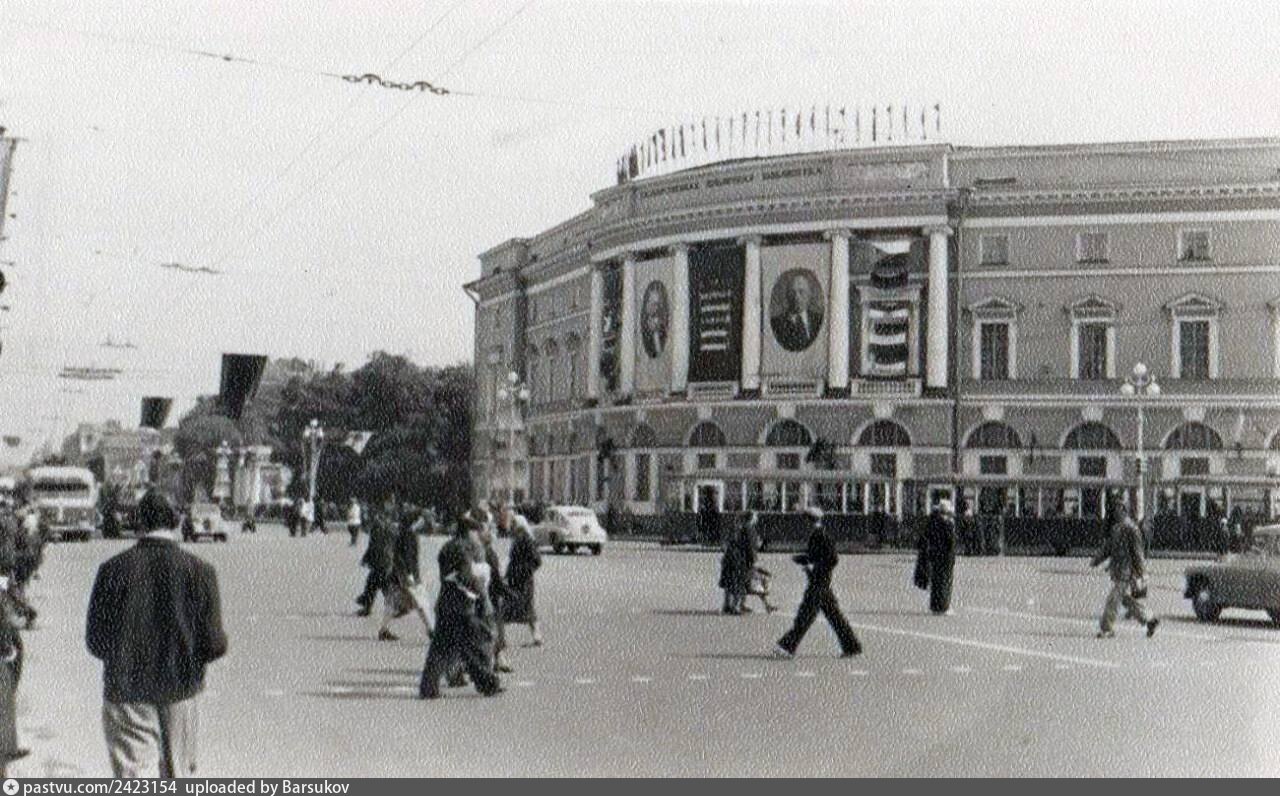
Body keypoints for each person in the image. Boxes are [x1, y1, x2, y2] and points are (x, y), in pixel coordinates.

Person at [85, 488, 227, 778]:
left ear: (138, 523)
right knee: (179, 777)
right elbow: (214, 644)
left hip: (126, 690)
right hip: (181, 690)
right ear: (176, 521)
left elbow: (95, 641)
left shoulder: (111, 570)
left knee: (136, 778)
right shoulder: (201, 571)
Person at [417, 515, 503, 700]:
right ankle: (488, 684)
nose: (477, 536)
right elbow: (465, 576)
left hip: (446, 603)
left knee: (441, 648)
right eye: (475, 532)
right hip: (461, 606)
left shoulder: (447, 546)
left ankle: (429, 687)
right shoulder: (463, 548)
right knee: (470, 647)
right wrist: (480, 590)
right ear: (469, 532)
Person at [774, 506, 861, 659]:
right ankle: (851, 646)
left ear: (809, 521)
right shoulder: (818, 534)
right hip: (821, 582)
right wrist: (803, 559)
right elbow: (817, 556)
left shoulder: (821, 535)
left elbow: (832, 559)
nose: (802, 525)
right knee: (835, 617)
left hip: (819, 581)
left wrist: (814, 566)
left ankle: (787, 647)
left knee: (805, 615)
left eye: (804, 521)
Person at [1090, 502, 1159, 639]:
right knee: (1125, 600)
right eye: (1114, 510)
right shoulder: (1117, 528)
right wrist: (1096, 560)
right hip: (1118, 570)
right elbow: (1108, 548)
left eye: (1118, 509)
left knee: (1113, 599)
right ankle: (1149, 619)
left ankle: (1107, 628)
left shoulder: (1132, 528)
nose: (1115, 512)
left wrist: (1142, 573)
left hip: (1126, 571)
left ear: (1123, 511)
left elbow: (1137, 553)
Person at [377, 506, 431, 642]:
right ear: (415, 521)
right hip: (406, 575)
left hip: (398, 574)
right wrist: (410, 575)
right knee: (421, 601)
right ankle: (431, 630)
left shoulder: (404, 532)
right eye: (421, 520)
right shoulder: (409, 535)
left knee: (392, 603)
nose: (423, 523)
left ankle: (383, 630)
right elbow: (407, 557)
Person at [477, 521, 517, 673]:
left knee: (492, 629)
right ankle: (493, 662)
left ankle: (499, 660)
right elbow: (496, 580)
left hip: (485, 596)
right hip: (488, 597)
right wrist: (509, 594)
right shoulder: (487, 553)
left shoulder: (483, 551)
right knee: (493, 629)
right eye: (488, 530)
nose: (491, 533)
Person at [503, 514, 543, 647]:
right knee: (510, 607)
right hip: (514, 579)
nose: (512, 526)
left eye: (514, 524)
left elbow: (536, 561)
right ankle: (501, 638)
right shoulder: (517, 539)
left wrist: (524, 571)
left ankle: (536, 635)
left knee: (526, 607)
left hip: (523, 581)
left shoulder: (527, 540)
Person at [356, 501, 397, 618]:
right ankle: (367, 605)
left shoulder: (377, 527)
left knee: (377, 584)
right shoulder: (392, 527)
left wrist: (366, 558)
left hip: (380, 560)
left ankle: (369, 605)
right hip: (387, 560)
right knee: (376, 583)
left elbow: (374, 545)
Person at [918, 500, 958, 615]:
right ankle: (944, 607)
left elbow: (925, 538)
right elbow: (951, 543)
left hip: (934, 555)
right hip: (945, 557)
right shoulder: (948, 524)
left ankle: (935, 606)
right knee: (944, 583)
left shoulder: (933, 523)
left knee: (936, 582)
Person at [770, 272, 824, 352]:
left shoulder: (818, 320)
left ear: (809, 295)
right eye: (792, 292)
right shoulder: (776, 323)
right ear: (787, 296)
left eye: (801, 292)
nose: (796, 297)